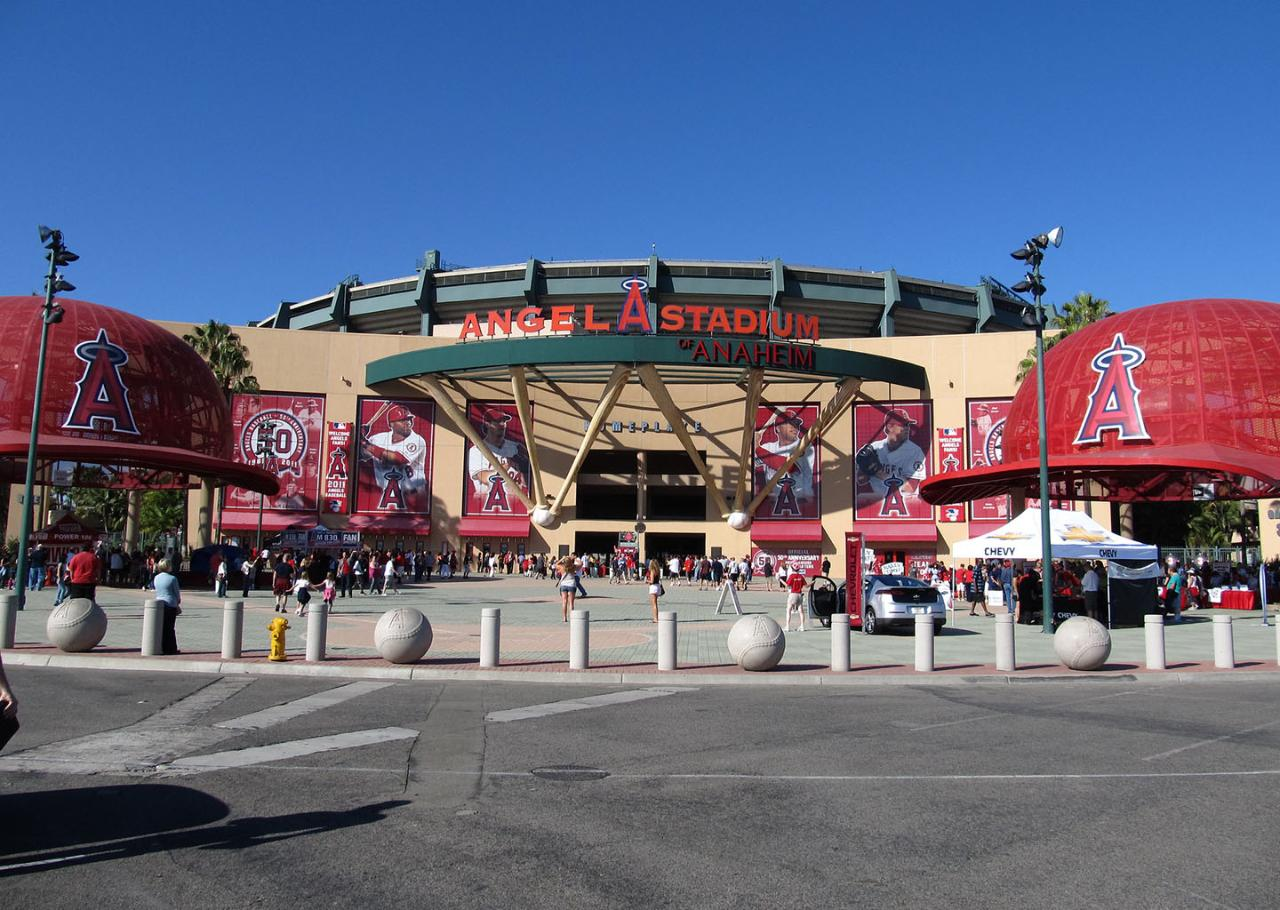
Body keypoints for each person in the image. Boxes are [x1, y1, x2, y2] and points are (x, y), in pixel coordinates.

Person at [855, 409, 926, 510]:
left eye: (908, 425)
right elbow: (861, 480)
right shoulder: (875, 447)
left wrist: (878, 472)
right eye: (903, 425)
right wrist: (865, 468)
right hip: (875, 505)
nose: (907, 428)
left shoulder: (914, 451)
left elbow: (910, 489)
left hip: (906, 507)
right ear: (890, 427)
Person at [361, 405, 429, 510]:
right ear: (391, 424)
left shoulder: (417, 440)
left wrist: (365, 443)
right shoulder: (378, 439)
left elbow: (398, 459)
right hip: (385, 495)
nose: (408, 423)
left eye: (409, 419)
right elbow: (361, 455)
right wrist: (358, 437)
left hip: (413, 495)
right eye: (403, 420)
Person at [754, 409, 815, 518]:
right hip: (772, 502)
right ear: (777, 428)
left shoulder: (804, 446)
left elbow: (788, 466)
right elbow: (751, 464)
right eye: (789, 424)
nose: (794, 427)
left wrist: (757, 448)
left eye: (796, 424)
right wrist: (752, 445)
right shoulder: (768, 447)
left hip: (801, 502)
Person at [467, 409, 531, 511]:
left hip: (517, 504)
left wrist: (524, 470)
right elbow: (484, 478)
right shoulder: (476, 450)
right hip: (485, 505)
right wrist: (507, 466)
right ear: (487, 424)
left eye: (504, 421)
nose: (502, 425)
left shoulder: (516, 448)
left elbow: (526, 484)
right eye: (498, 422)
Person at [153, 559, 182, 655]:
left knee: (161, 627)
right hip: (170, 604)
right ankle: (171, 648)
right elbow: (177, 594)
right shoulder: (172, 578)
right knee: (170, 628)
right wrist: (178, 603)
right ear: (168, 566)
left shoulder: (156, 578)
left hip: (160, 604)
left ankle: (161, 646)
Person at [557, 555, 579, 621]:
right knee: (571, 603)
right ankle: (572, 617)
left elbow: (556, 564)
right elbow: (581, 564)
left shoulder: (561, 567)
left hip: (564, 584)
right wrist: (575, 559)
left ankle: (564, 617)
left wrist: (562, 558)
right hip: (571, 584)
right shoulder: (573, 566)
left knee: (564, 602)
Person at [646, 559, 664, 623]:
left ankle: (655, 619)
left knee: (654, 604)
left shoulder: (652, 571)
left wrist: (647, 581)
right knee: (655, 603)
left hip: (653, 587)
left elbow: (652, 581)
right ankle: (656, 618)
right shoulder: (657, 570)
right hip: (658, 586)